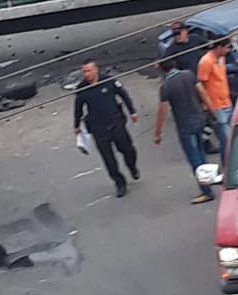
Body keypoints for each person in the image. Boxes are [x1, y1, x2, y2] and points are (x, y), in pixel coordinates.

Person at [74, 61, 139, 198]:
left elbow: (123, 94)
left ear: (96, 70)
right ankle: (120, 183)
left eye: (89, 71)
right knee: (108, 159)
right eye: (84, 71)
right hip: (98, 128)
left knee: (128, 150)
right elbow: (78, 108)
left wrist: (132, 111)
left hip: (116, 122)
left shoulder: (108, 81)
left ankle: (132, 167)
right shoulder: (82, 88)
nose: (87, 74)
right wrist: (76, 125)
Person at [153, 58, 214, 205]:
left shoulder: (166, 87)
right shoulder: (188, 74)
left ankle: (206, 191)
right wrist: (212, 112)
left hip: (185, 125)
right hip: (199, 118)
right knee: (201, 152)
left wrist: (157, 133)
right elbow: (202, 92)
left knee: (194, 158)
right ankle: (211, 180)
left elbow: (162, 111)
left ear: (162, 70)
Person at [196, 38, 233, 155]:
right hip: (216, 107)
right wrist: (209, 107)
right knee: (228, 141)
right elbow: (200, 85)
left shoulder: (221, 59)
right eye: (227, 47)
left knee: (227, 141)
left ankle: (225, 167)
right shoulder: (206, 62)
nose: (229, 50)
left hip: (227, 103)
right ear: (219, 47)